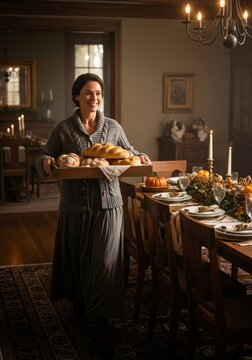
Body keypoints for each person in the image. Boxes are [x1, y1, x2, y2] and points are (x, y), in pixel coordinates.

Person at [36, 73, 151, 359]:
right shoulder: (63, 129)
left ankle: (102, 324)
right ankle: (81, 304)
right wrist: (47, 162)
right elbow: (44, 156)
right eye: (88, 93)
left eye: (98, 93)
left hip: (109, 206)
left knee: (104, 264)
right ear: (76, 96)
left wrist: (142, 157)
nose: (94, 98)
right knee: (78, 259)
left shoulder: (113, 128)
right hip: (74, 207)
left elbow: (129, 152)